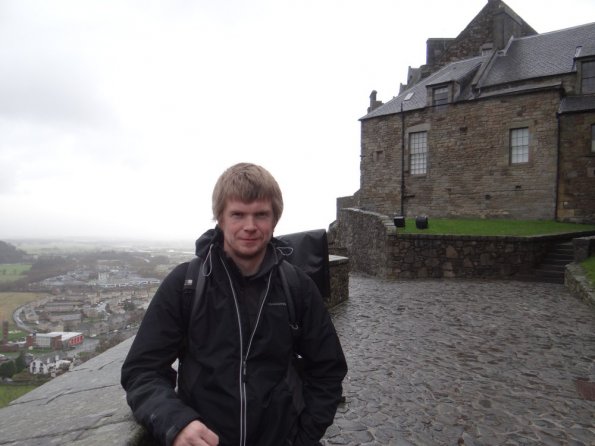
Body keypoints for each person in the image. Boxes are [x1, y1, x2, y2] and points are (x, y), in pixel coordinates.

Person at [121, 162, 347, 446]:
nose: (250, 227)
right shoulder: (186, 284)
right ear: (220, 218)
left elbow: (327, 369)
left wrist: (303, 437)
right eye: (238, 214)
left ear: (274, 219)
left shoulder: (296, 287)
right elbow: (142, 370)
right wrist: (175, 421)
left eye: (261, 215)